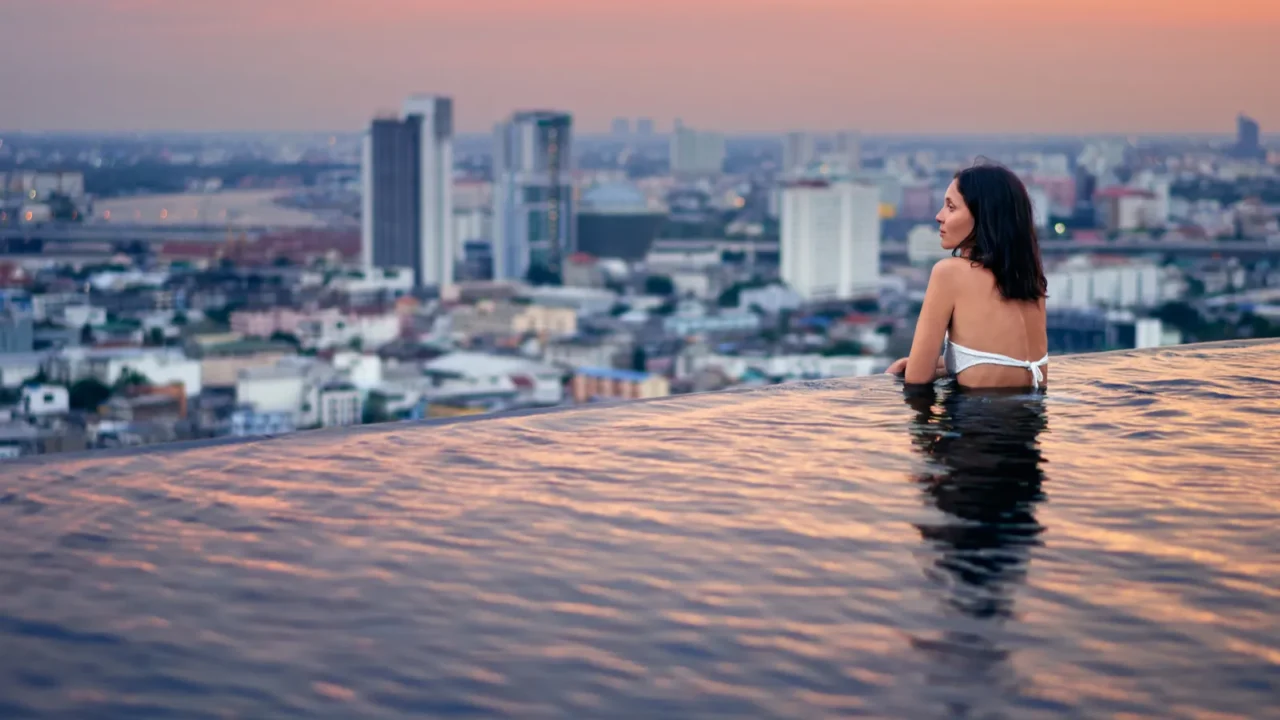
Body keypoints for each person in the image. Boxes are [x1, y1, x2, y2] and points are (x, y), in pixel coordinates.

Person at [887, 163, 1049, 389]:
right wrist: (942, 365)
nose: (939, 216)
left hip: (976, 418)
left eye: (951, 208)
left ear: (983, 216)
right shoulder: (1029, 275)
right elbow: (1000, 361)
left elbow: (917, 378)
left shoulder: (949, 272)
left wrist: (915, 366)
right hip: (1034, 415)